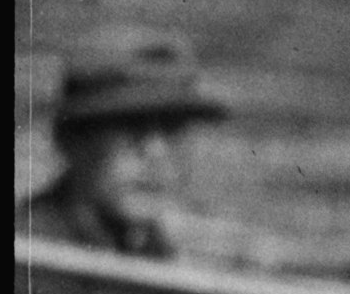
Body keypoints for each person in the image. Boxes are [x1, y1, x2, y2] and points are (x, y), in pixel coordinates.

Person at [22, 31, 225, 255]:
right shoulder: (31, 253)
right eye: (131, 125)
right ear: (70, 138)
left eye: (172, 127)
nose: (155, 151)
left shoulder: (149, 247)